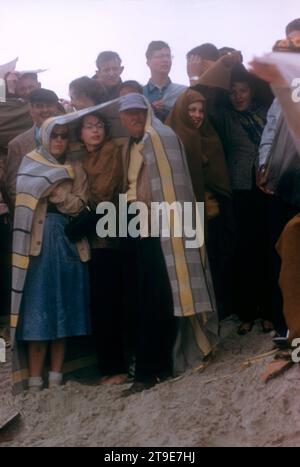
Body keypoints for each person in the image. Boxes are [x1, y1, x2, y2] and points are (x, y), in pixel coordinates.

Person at [118, 93, 219, 395]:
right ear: (122, 118)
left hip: (166, 231)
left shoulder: (162, 137)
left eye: (138, 112)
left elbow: (176, 188)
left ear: (146, 112)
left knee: (159, 300)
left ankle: (152, 370)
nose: (134, 118)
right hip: (138, 229)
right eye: (128, 114)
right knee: (146, 298)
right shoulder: (129, 146)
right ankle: (153, 366)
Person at [12, 120, 91, 392]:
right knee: (37, 312)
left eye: (63, 136)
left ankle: (56, 378)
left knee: (63, 312)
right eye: (54, 135)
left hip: (68, 245)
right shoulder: (29, 164)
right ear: (45, 138)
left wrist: (55, 191)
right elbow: (22, 199)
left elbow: (80, 205)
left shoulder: (76, 168)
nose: (59, 140)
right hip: (36, 247)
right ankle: (34, 382)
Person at [212, 64, 274, 334]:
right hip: (240, 191)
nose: (238, 96)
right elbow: (207, 103)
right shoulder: (226, 118)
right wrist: (224, 65)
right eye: (233, 92)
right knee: (244, 251)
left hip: (268, 188)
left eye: (243, 90)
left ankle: (270, 311)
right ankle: (247, 311)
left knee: (268, 249)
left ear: (252, 92)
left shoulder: (266, 113)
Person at [166, 89, 234, 319]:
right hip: (186, 213)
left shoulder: (209, 135)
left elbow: (220, 175)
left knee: (218, 258)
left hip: (213, 210)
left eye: (201, 111)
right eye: (191, 110)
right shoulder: (172, 137)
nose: (197, 115)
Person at [76, 112, 125, 384]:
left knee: (109, 301)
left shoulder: (111, 152)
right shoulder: (80, 158)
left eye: (99, 126)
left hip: (111, 232)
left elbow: (104, 192)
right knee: (99, 301)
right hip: (92, 237)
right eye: (89, 126)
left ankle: (115, 367)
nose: (95, 131)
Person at [5, 88, 64, 209]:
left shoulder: (71, 135)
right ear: (30, 109)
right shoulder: (17, 145)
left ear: (56, 107)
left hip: (70, 205)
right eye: (39, 106)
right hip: (36, 212)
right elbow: (13, 186)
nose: (45, 110)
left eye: (49, 105)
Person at [143, 41, 186, 121]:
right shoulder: (140, 94)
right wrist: (149, 110)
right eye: (160, 56)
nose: (166, 60)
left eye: (168, 56)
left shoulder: (183, 92)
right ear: (148, 62)